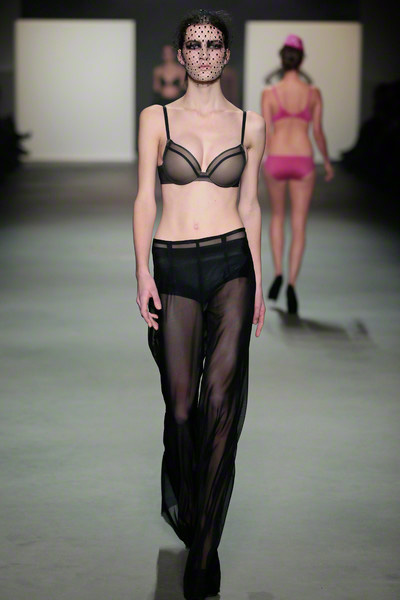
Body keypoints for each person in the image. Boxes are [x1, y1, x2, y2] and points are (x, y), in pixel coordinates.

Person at [133, 9, 266, 599]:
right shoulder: (156, 118)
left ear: (226, 54)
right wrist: (142, 269)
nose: (205, 53)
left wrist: (257, 277)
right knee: (183, 408)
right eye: (195, 44)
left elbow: (251, 205)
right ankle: (189, 508)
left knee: (220, 405)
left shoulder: (251, 123)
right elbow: (144, 197)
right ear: (182, 54)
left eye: (214, 44)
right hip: (174, 264)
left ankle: (205, 551)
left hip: (231, 265)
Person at [261, 34, 334, 315]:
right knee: (299, 224)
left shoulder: (270, 93)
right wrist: (327, 162)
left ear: (282, 60)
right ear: (301, 61)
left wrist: (258, 163)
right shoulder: (313, 93)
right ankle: (292, 284)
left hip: (276, 158)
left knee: (278, 217)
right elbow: (318, 132)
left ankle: (278, 273)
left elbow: (266, 133)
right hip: (303, 159)